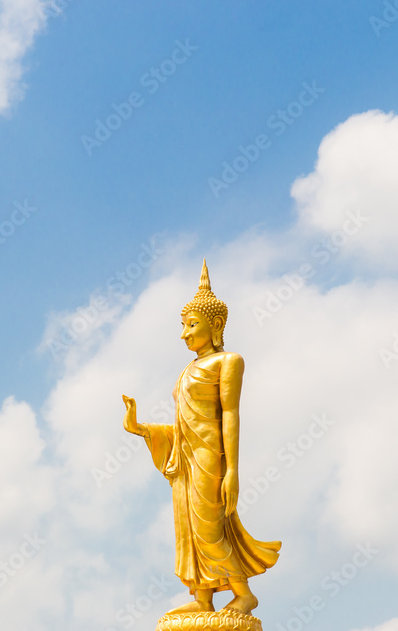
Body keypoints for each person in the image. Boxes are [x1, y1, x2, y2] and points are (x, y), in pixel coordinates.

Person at [122, 260, 281, 615]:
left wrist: (233, 471)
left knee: (210, 528)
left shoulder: (229, 362)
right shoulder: (187, 370)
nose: (184, 334)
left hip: (211, 458)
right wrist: (143, 428)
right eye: (183, 325)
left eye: (192, 325)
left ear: (216, 324)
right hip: (185, 459)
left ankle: (244, 594)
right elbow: (182, 424)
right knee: (189, 530)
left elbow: (230, 414)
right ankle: (203, 597)